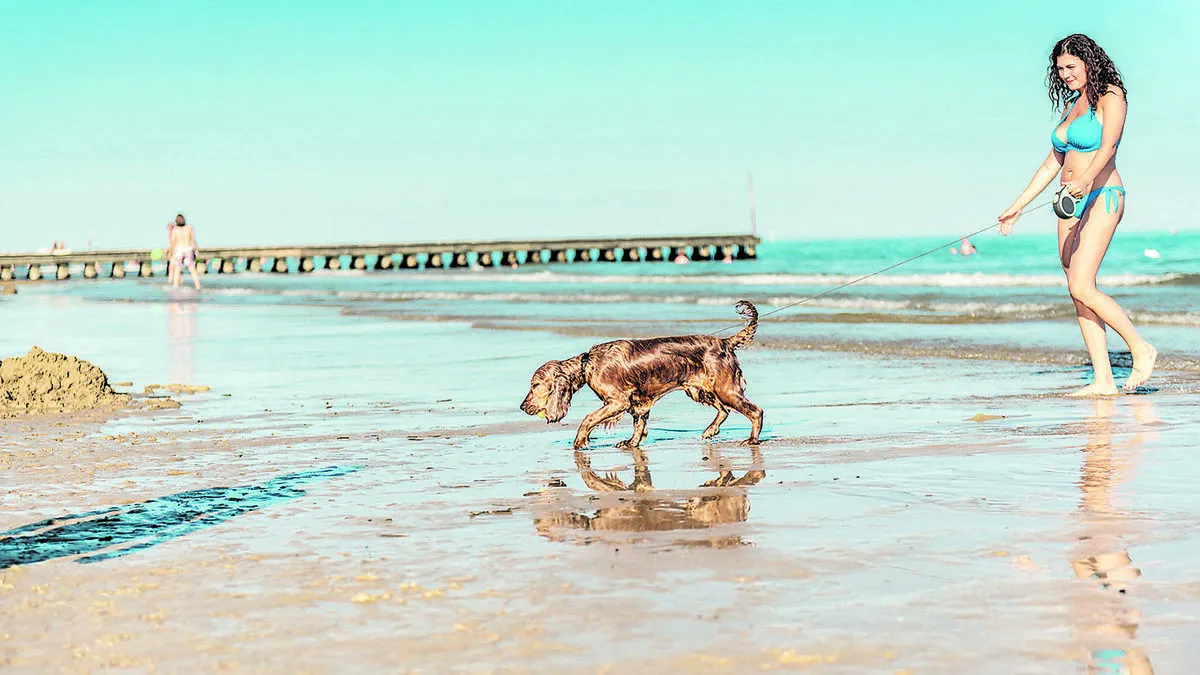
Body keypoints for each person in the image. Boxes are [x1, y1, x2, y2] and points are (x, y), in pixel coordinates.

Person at [997, 34, 1155, 396]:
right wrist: (1018, 205)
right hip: (1068, 203)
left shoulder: (1110, 96)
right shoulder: (1072, 105)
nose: (1065, 74)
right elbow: (1052, 161)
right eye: (1060, 69)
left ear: (1089, 62)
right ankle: (1103, 380)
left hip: (1102, 193)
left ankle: (1140, 347)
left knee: (1083, 284)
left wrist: (1085, 179)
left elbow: (1110, 144)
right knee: (1077, 292)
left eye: (1071, 66)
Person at [167, 213, 202, 290]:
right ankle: (198, 286)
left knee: (177, 269)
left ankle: (175, 287)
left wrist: (170, 252)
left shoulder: (175, 230)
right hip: (188, 249)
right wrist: (196, 250)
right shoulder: (189, 228)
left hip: (179, 250)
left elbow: (173, 242)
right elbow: (193, 240)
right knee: (192, 269)